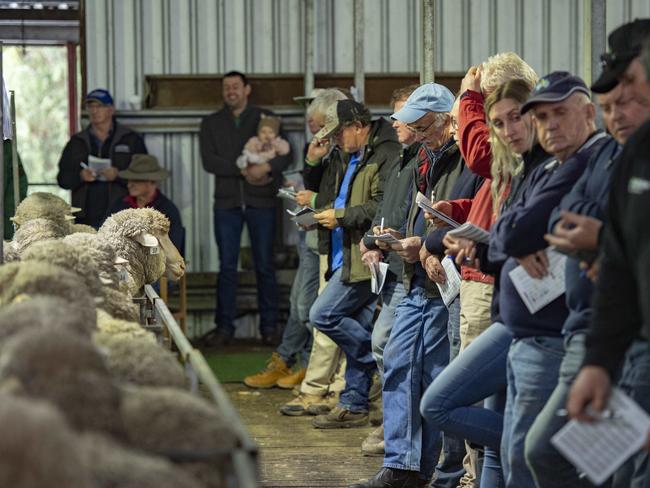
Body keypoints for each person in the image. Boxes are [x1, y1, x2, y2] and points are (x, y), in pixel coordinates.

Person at [421, 78, 549, 488]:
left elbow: (521, 238)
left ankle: (532, 444)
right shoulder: (516, 169)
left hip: (534, 320)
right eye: (499, 122)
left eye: (517, 117)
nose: (509, 129)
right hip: (507, 305)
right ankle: (523, 444)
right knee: (494, 445)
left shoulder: (544, 169)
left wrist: (457, 240)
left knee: (439, 405)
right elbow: (503, 230)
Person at [352, 82, 463, 488]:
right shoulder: (426, 158)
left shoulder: (461, 159)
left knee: (435, 376)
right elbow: (419, 210)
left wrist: (431, 246)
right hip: (417, 275)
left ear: (445, 121)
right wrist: (401, 239)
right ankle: (403, 465)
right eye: (414, 126)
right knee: (399, 362)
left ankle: (438, 471)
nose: (417, 133)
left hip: (443, 282)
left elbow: (462, 218)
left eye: (422, 126)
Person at [565, 22, 650, 488]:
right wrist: (598, 361)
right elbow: (618, 262)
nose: (621, 102)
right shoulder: (636, 152)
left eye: (631, 85)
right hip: (638, 350)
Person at [308, 98, 400, 430]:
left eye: (338, 134)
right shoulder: (358, 155)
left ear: (358, 126)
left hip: (365, 257)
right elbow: (350, 199)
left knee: (323, 314)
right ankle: (354, 402)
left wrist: (341, 216)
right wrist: (325, 214)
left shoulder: (384, 155)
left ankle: (372, 366)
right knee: (356, 324)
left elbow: (381, 207)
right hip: (348, 253)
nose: (334, 141)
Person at [199, 71, 293, 346]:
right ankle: (224, 328)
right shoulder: (211, 123)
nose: (231, 91)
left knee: (265, 264)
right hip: (226, 203)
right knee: (227, 266)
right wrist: (243, 169)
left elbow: (287, 154)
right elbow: (209, 161)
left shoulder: (266, 119)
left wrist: (267, 167)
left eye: (236, 87)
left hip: (261, 201)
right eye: (226, 87)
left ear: (247, 89)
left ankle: (269, 328)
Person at [57, 88, 147, 229]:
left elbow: (145, 175)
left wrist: (118, 175)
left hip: (123, 214)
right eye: (90, 106)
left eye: (99, 106)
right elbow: (62, 180)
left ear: (111, 110)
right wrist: (80, 176)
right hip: (85, 218)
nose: (94, 111)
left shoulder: (131, 139)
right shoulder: (76, 142)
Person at [107, 153, 183, 253]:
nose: (129, 185)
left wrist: (142, 253)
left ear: (151, 182)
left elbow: (172, 248)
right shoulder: (120, 205)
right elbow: (105, 236)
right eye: (129, 180)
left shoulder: (167, 211)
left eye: (136, 180)